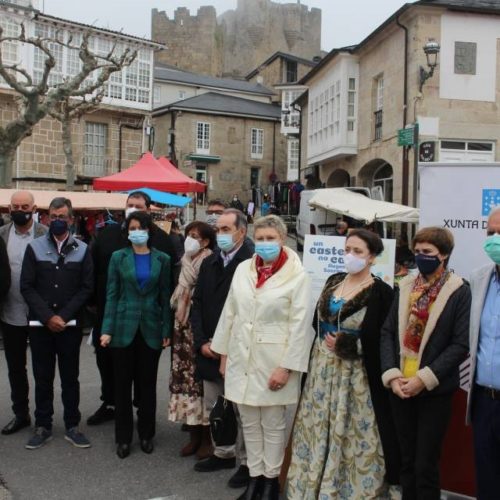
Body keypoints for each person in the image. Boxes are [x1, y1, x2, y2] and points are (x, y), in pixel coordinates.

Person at [287, 228, 400, 499]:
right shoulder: (333, 280)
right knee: (316, 426)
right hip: (321, 369)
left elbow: (384, 338)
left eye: (358, 251)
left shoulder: (382, 292)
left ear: (372, 257)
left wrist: (348, 345)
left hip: (354, 376)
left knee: (350, 431)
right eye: (347, 250)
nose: (350, 255)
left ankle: (344, 489)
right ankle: (309, 483)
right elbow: (318, 321)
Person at [212, 215, 314, 500]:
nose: (265, 244)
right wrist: (223, 354)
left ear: (283, 240)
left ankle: (271, 482)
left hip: (274, 362)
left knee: (272, 426)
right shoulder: (244, 269)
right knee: (249, 424)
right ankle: (254, 479)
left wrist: (286, 367)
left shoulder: (298, 276)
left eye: (271, 238)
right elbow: (229, 313)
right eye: (261, 238)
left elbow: (301, 325)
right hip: (241, 358)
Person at [380, 226, 471, 500]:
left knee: (425, 464)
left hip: (433, 390)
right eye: (417, 251)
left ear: (443, 255)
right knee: (406, 461)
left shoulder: (459, 290)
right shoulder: (406, 285)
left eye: (428, 252)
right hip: (400, 389)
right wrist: (393, 375)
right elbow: (387, 332)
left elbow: (460, 344)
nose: (421, 257)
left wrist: (424, 379)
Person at [88, 190, 177, 426]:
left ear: (148, 210)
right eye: (129, 204)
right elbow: (94, 270)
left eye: (138, 205)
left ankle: (142, 410)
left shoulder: (162, 241)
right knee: (107, 364)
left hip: (149, 319)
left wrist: (166, 327)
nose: (133, 209)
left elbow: (167, 287)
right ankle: (110, 403)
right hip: (110, 313)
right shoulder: (106, 235)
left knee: (144, 374)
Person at [21, 197, 94, 450]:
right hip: (41, 325)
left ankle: (72, 425)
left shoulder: (83, 249)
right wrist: (48, 317)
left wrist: (62, 316)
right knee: (42, 377)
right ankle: (43, 425)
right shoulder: (34, 248)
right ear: (46, 218)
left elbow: (86, 288)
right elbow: (27, 286)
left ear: (72, 220)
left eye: (63, 216)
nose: (58, 221)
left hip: (69, 325)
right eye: (54, 216)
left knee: (70, 377)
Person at [100, 211, 172, 459]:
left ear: (149, 230)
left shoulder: (162, 259)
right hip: (122, 328)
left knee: (147, 386)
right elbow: (111, 294)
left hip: (151, 328)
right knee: (122, 386)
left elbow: (165, 297)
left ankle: (146, 434)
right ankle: (123, 438)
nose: (136, 231)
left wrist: (166, 330)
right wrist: (106, 329)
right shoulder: (118, 258)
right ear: (127, 231)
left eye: (140, 227)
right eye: (132, 228)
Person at [191, 208, 254, 490]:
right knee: (216, 406)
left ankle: (246, 462)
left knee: (242, 411)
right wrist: (203, 341)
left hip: (238, 350)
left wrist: (226, 347)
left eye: (226, 229)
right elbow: (198, 304)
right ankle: (223, 452)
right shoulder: (210, 261)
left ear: (241, 231)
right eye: (218, 230)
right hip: (208, 346)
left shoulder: (252, 262)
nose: (221, 234)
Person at [0, 191, 47, 436]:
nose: (20, 209)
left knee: (41, 367)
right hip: (10, 311)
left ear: (34, 208)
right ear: (9, 208)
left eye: (24, 206)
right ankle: (21, 414)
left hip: (39, 312)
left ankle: (43, 418)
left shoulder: (46, 234)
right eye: (15, 206)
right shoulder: (2, 234)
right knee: (15, 367)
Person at [168, 221, 216, 459]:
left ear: (206, 242)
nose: (189, 240)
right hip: (182, 330)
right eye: (188, 235)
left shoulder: (209, 262)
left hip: (198, 330)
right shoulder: (185, 262)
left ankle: (207, 437)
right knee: (186, 383)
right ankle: (193, 434)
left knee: (202, 385)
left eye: (195, 236)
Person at [466, 206, 500, 499]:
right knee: (487, 480)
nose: (494, 239)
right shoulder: (479, 278)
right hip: (483, 401)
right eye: (490, 232)